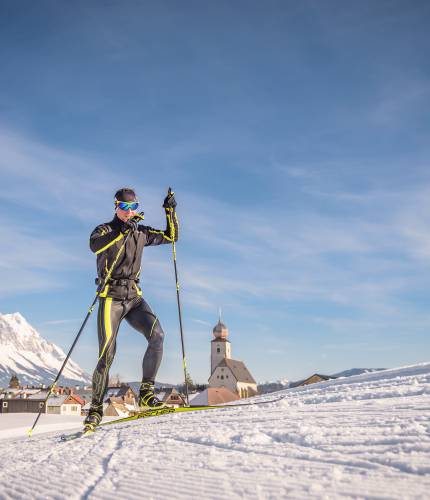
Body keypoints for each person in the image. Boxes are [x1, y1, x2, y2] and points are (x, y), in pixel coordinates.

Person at [84, 187, 178, 431]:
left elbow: (172, 236)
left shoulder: (141, 232)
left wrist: (170, 210)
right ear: (116, 207)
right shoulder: (105, 229)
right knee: (107, 353)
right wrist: (121, 231)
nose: (128, 211)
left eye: (133, 207)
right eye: (124, 207)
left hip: (134, 298)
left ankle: (146, 394)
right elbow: (95, 246)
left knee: (157, 335)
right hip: (110, 299)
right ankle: (95, 410)